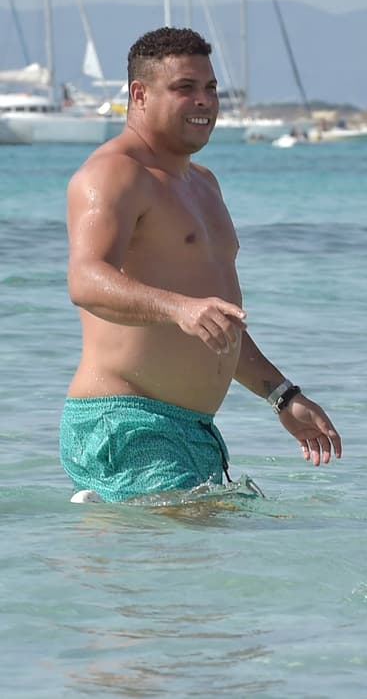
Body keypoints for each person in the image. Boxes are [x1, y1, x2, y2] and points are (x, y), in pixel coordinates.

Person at [60, 27, 342, 503]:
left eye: (210, 88)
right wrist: (178, 309)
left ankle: (102, 548)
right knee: (196, 557)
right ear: (139, 94)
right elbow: (85, 280)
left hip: (195, 431)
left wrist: (281, 395)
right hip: (126, 423)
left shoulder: (204, 184)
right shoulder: (112, 174)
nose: (204, 101)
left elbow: (217, 321)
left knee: (220, 559)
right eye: (185, 88)